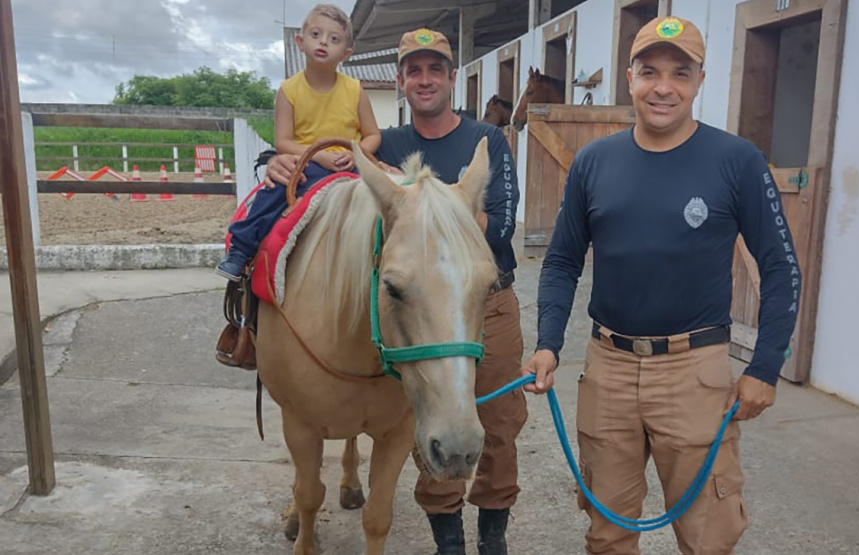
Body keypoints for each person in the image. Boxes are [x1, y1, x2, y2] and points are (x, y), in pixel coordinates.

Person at [521, 16, 801, 555]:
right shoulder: (593, 163)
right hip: (609, 369)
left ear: (699, 80)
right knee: (607, 533)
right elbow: (560, 263)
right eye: (650, 71)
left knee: (707, 535)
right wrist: (548, 343)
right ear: (630, 77)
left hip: (694, 371)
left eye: (680, 72)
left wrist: (764, 367)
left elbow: (781, 268)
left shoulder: (736, 161)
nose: (663, 87)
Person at [266, 27, 527, 555]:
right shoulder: (387, 143)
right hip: (414, 304)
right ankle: (447, 538)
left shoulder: (487, 141)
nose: (425, 79)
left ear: (452, 78)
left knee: (496, 425)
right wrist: (281, 162)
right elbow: (341, 185)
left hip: (483, 300)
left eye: (435, 69)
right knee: (423, 417)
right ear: (402, 81)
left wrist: (438, 213)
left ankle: (493, 537)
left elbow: (498, 227)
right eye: (414, 70)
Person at [216, 3, 380, 281]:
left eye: (334, 39)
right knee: (273, 191)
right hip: (306, 164)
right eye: (316, 34)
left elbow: (373, 134)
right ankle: (241, 249)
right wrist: (316, 156)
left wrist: (357, 152)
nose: (324, 42)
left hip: (347, 166)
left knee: (388, 195)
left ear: (346, 53)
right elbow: (283, 141)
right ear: (300, 42)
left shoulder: (355, 90)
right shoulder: (288, 90)